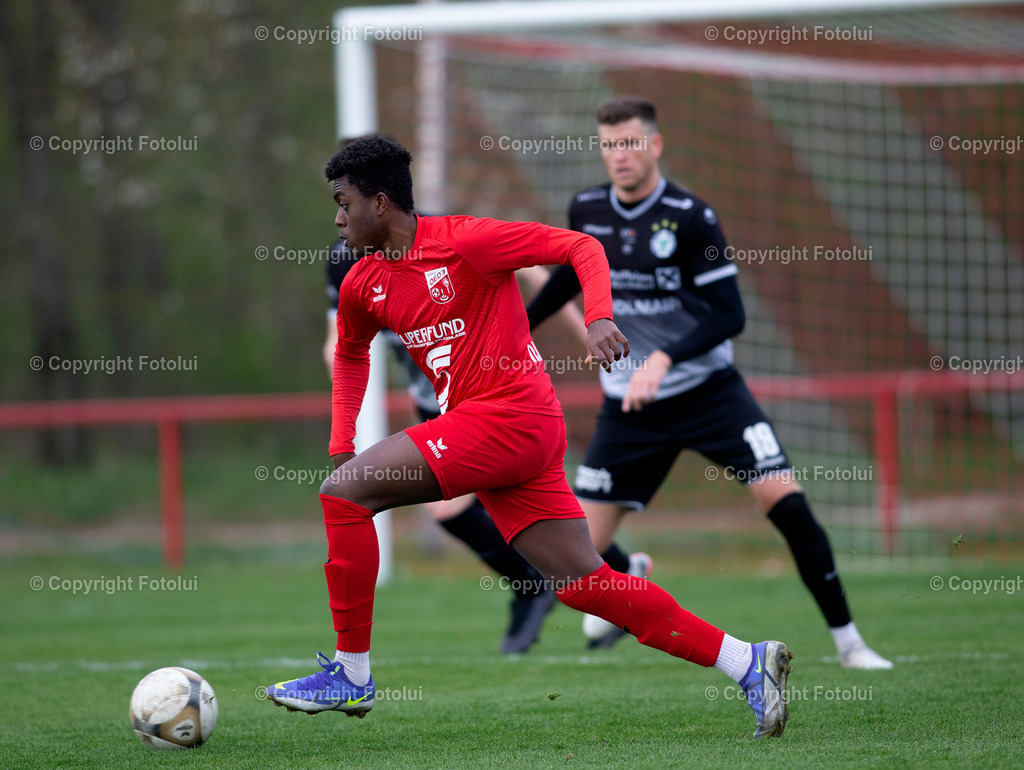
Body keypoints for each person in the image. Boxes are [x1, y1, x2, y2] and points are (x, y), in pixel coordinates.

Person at [264, 134, 795, 739]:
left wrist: (597, 318)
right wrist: (342, 438)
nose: (337, 217)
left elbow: (581, 246)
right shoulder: (364, 284)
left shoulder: (467, 241)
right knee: (584, 585)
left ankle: (351, 675)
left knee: (344, 495)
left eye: (343, 202)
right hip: (505, 435)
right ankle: (749, 662)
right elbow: (353, 353)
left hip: (509, 418)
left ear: (380, 204)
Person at [526, 96, 891, 670]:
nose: (619, 155)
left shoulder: (692, 216)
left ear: (655, 145)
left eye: (630, 142)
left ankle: (850, 643)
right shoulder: (587, 209)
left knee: (786, 503)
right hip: (631, 405)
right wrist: (515, 328)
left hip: (710, 393)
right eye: (609, 144)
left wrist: (665, 357)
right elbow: (567, 280)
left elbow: (729, 314)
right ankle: (629, 572)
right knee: (575, 556)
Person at [323, 237, 559, 655]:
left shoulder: (436, 238)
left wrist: (588, 321)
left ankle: (548, 585)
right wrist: (343, 361)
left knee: (527, 516)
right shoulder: (345, 263)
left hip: (490, 402)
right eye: (338, 204)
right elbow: (339, 345)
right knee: (470, 508)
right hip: (434, 403)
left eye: (347, 203)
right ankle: (543, 585)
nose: (341, 218)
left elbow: (538, 266)